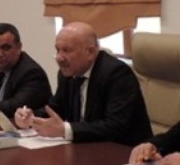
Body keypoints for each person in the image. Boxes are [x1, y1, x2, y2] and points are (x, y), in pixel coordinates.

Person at [14, 21, 151, 145]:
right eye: (57, 50)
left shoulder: (117, 74)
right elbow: (55, 109)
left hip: (124, 153)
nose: (59, 58)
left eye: (66, 50)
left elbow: (115, 126)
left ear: (90, 52)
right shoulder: (67, 73)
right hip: (86, 149)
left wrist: (65, 130)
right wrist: (31, 117)